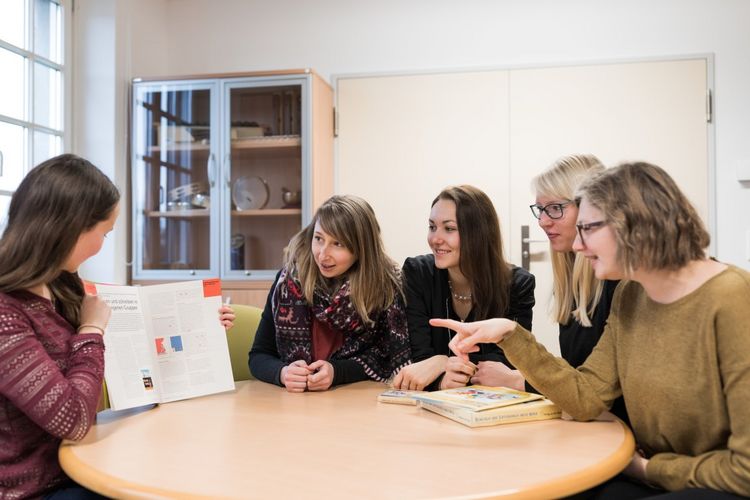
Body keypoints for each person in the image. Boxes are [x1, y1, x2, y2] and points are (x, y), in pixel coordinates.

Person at [437, 162, 750, 498]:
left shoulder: (731, 298)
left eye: (587, 229)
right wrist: (509, 333)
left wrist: (646, 468)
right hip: (653, 474)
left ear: (631, 224)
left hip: (716, 484)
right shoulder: (631, 295)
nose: (577, 246)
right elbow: (586, 396)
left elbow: (744, 471)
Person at [0, 154, 235, 499]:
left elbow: (123, 350)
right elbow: (74, 420)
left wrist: (200, 325)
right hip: (37, 488)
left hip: (81, 462)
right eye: (105, 234)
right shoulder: (7, 313)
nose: (100, 246)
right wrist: (91, 330)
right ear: (70, 229)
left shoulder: (59, 283)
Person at [249, 195, 411, 392]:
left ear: (361, 249)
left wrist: (337, 372)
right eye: (318, 239)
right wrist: (282, 373)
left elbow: (386, 358)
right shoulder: (288, 281)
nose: (323, 254)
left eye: (338, 244)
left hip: (355, 405)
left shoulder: (384, 287)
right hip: (294, 406)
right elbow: (258, 355)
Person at [393, 185, 535, 391]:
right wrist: (441, 375)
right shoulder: (417, 273)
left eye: (449, 228)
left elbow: (505, 365)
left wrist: (443, 363)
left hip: (491, 407)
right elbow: (419, 359)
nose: (435, 239)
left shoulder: (517, 284)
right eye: (432, 227)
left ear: (478, 234)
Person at [526, 155, 627, 422]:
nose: (543, 222)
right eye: (540, 209)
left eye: (555, 208)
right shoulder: (571, 281)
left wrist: (523, 380)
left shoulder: (620, 284)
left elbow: (595, 393)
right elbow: (578, 379)